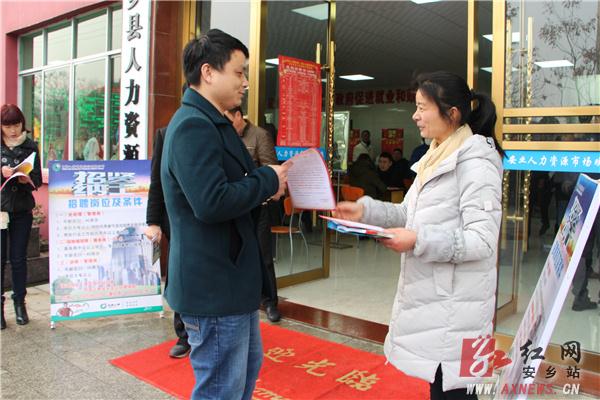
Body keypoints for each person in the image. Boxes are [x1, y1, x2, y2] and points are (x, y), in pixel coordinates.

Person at [335, 71, 504, 400]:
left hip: (458, 311)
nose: (415, 115)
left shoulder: (477, 163)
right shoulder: (436, 155)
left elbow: (482, 241)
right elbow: (407, 214)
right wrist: (365, 211)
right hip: (437, 305)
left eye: (422, 107)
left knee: (455, 392)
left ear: (451, 113)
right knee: (441, 388)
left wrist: (418, 240)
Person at [160, 29, 288, 400]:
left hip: (230, 282)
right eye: (239, 72)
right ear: (208, 72)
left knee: (239, 380)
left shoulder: (212, 121)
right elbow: (211, 201)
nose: (245, 82)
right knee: (221, 389)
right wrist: (267, 179)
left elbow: (227, 188)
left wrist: (262, 187)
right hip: (213, 285)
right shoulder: (193, 126)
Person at [225, 106, 281, 323]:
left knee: (263, 255)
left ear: (239, 115)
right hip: (234, 205)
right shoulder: (225, 135)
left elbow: (271, 170)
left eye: (230, 119)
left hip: (258, 206)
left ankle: (270, 301)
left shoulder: (259, 135)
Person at [144, 124, 191, 358]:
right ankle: (183, 334)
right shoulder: (166, 133)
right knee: (179, 274)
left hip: (209, 217)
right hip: (177, 220)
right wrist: (153, 221)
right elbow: (157, 180)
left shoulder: (219, 128)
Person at [1, 104, 43, 329]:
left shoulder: (30, 146)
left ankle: (20, 303)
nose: (13, 130)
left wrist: (27, 179)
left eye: (16, 125)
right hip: (0, 210)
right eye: (8, 126)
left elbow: (37, 179)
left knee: (19, 259)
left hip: (21, 209)